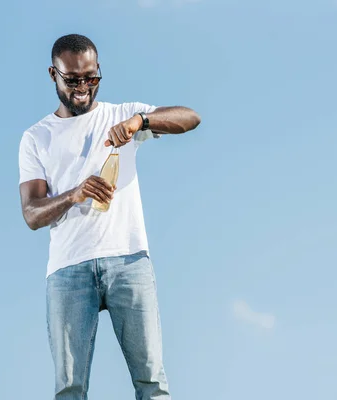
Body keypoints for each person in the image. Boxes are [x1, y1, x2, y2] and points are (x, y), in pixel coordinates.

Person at [18, 33, 201, 400]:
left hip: (129, 260)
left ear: (98, 71)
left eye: (91, 78)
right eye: (73, 80)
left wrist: (141, 122)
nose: (83, 87)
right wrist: (75, 193)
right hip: (68, 270)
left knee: (152, 383)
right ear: (53, 74)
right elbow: (32, 214)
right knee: (70, 389)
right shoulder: (36, 138)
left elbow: (191, 118)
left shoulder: (122, 115)